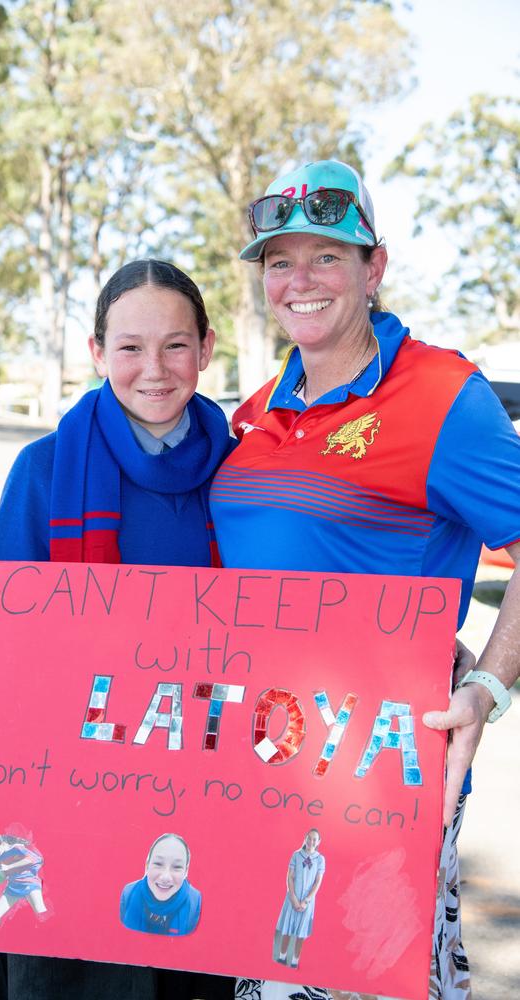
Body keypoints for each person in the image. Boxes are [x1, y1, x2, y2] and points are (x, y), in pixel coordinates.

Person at [209, 159, 520, 1000]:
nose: (299, 281)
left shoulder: (443, 395)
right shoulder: (255, 409)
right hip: (258, 746)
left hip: (378, 757)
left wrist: (487, 684)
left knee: (364, 968)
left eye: (326, 259)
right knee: (266, 965)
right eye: (279, 262)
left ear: (373, 268)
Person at [0, 258, 236, 1000]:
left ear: (207, 348)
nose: (153, 369)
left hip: (202, 802)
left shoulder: (244, 477)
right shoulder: (47, 471)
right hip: (66, 799)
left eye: (176, 345)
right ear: (97, 353)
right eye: (129, 347)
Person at [120, 833, 202, 936]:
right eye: (158, 864)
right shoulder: (128, 894)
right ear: (147, 865)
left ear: (186, 871)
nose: (165, 877)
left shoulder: (195, 902)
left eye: (177, 867)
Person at [274, 830, 325, 969]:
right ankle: (282, 957)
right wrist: (293, 898)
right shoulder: (296, 855)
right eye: (309, 838)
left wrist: (306, 900)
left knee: (301, 932)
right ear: (305, 838)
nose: (311, 842)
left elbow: (317, 882)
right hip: (292, 898)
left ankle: (295, 960)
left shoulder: (320, 859)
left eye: (314, 839)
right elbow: (290, 876)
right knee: (287, 928)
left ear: (318, 841)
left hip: (307, 902)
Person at [0, 834, 46, 930]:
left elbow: (33, 859)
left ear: (3, 844)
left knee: (41, 913)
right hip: (13, 887)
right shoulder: (0, 857)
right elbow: (4, 876)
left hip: (29, 883)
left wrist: (9, 866)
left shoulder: (17, 848)